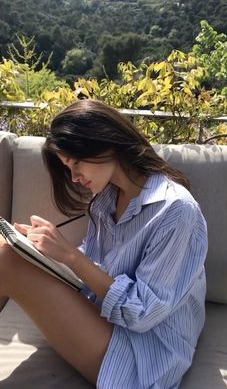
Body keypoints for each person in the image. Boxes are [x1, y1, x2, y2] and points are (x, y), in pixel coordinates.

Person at [0, 99, 208, 389]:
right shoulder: (107, 199)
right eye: (66, 166)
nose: (73, 177)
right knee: (10, 247)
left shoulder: (176, 211)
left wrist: (71, 256)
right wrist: (44, 253)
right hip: (105, 321)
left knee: (4, 257)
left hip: (144, 355)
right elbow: (96, 267)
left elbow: (142, 313)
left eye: (76, 162)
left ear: (106, 143)